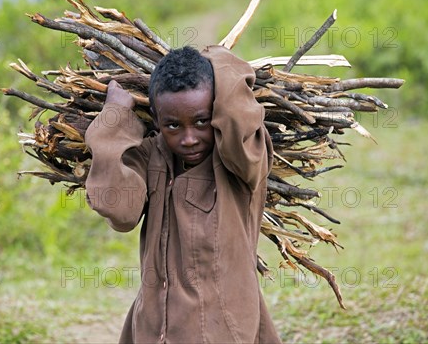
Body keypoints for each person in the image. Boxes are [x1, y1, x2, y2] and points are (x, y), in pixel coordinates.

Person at [85, 45, 282, 343]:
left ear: (216, 112)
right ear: (157, 119)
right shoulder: (151, 155)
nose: (189, 139)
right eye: (173, 125)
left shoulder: (241, 160)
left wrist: (213, 58)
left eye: (201, 121)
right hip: (154, 327)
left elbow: (237, 115)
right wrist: (115, 117)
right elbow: (120, 211)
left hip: (224, 330)